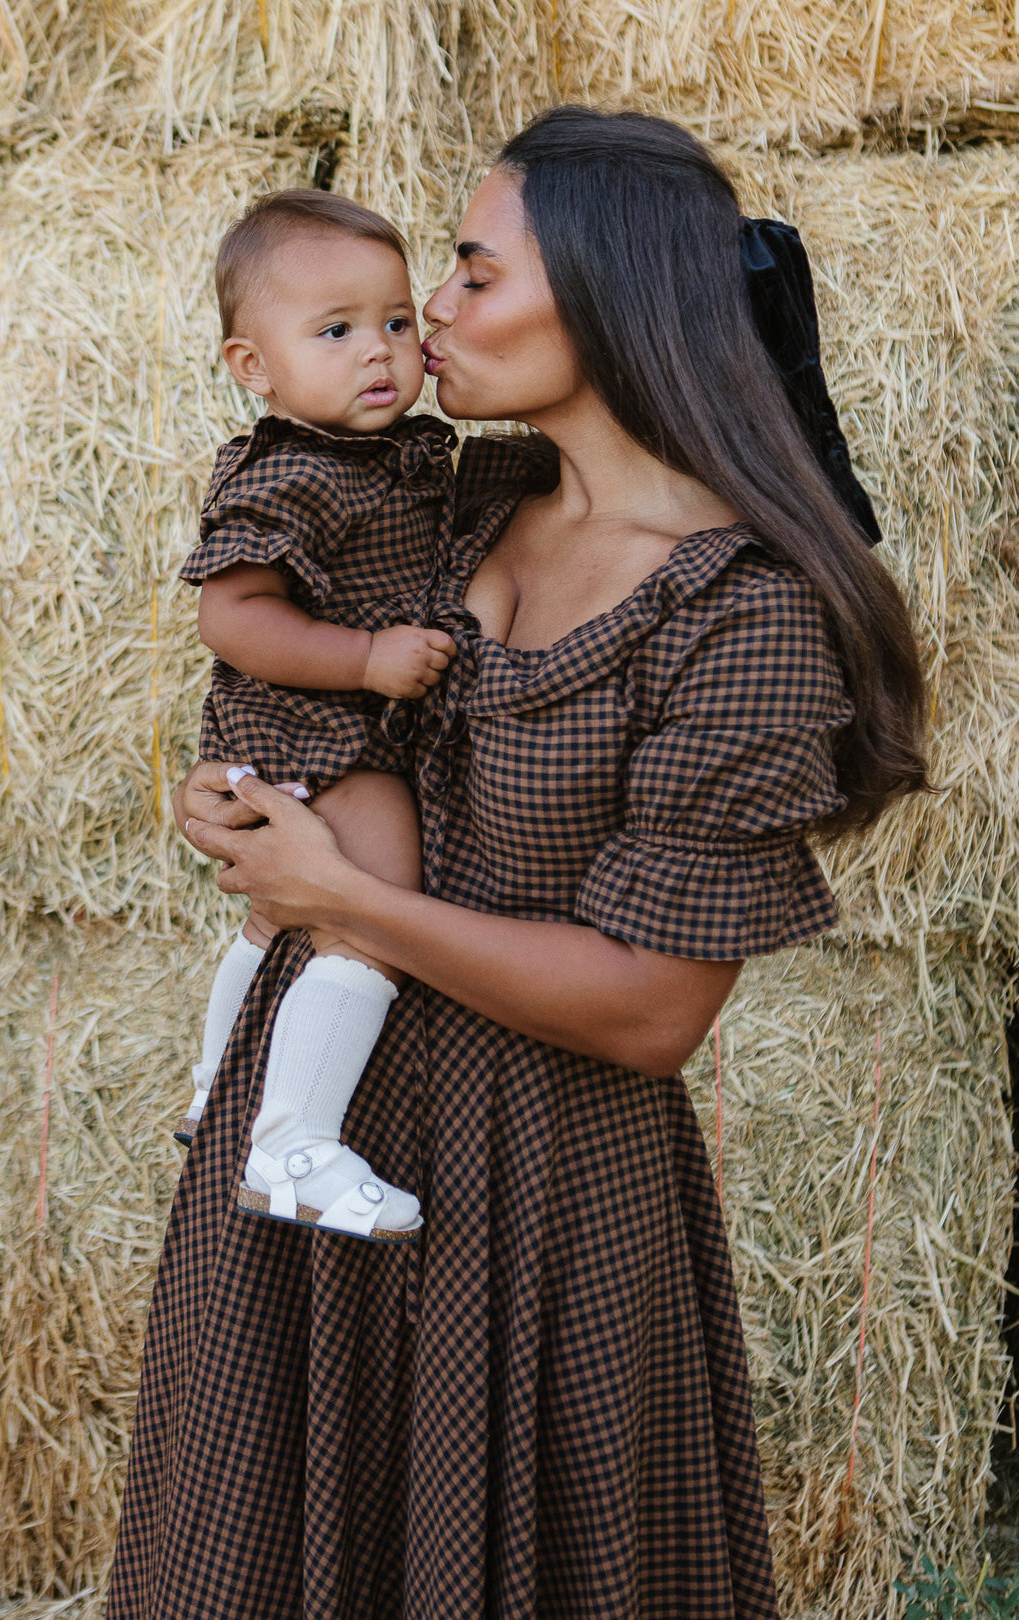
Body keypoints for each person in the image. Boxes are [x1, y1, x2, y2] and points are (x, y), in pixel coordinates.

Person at [109, 108, 926, 1619]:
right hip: (311, 1163)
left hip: (538, 1203)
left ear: (610, 298)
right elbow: (282, 680)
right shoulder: (449, 498)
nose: (431, 311)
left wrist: (346, 901)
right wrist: (234, 800)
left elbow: (652, 1013)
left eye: (475, 272)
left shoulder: (743, 617)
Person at [177, 189, 457, 1241]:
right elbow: (233, 616)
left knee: (272, 917)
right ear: (253, 367)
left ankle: (218, 1092)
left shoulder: (382, 453)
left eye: (396, 321)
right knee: (373, 902)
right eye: (335, 332)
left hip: (321, 727)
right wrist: (365, 658)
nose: (380, 352)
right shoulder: (289, 475)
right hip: (315, 730)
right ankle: (291, 1139)